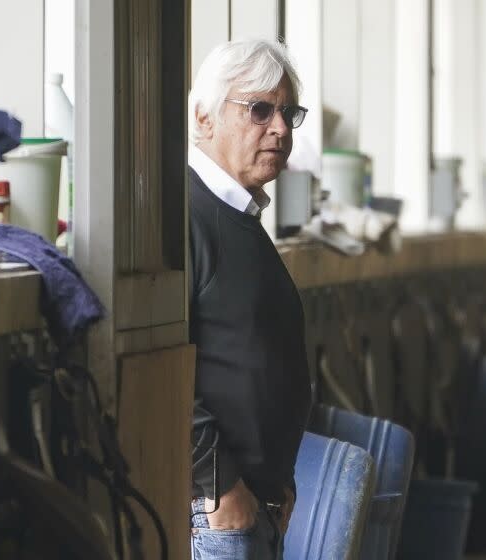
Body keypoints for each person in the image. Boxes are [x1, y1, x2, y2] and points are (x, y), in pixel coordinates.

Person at [187, 39, 312, 560]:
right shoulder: (187, 215)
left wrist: (276, 484)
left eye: (287, 112)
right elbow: (162, 369)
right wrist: (221, 486)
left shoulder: (240, 215)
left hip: (256, 509)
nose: (280, 129)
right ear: (205, 117)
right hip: (221, 517)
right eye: (259, 110)